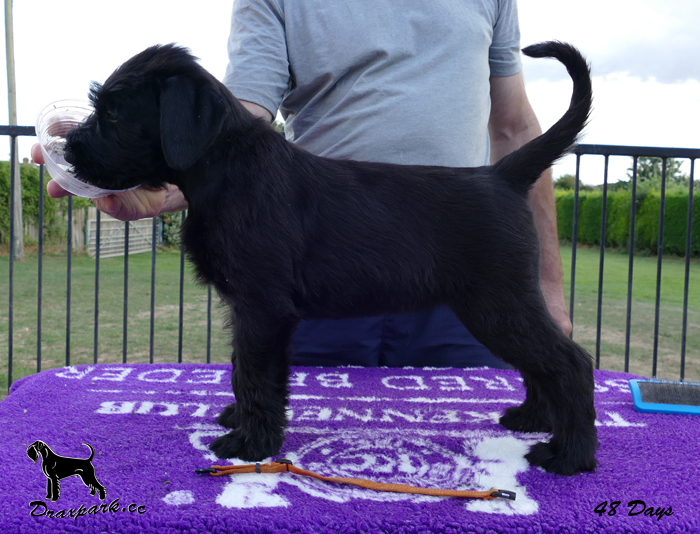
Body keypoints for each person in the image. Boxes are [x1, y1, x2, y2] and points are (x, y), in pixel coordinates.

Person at [32, 0, 571, 368]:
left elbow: (515, 128)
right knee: (297, 446)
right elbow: (241, 116)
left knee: (483, 439)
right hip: (322, 264)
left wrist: (546, 281)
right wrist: (164, 188)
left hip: (460, 253)